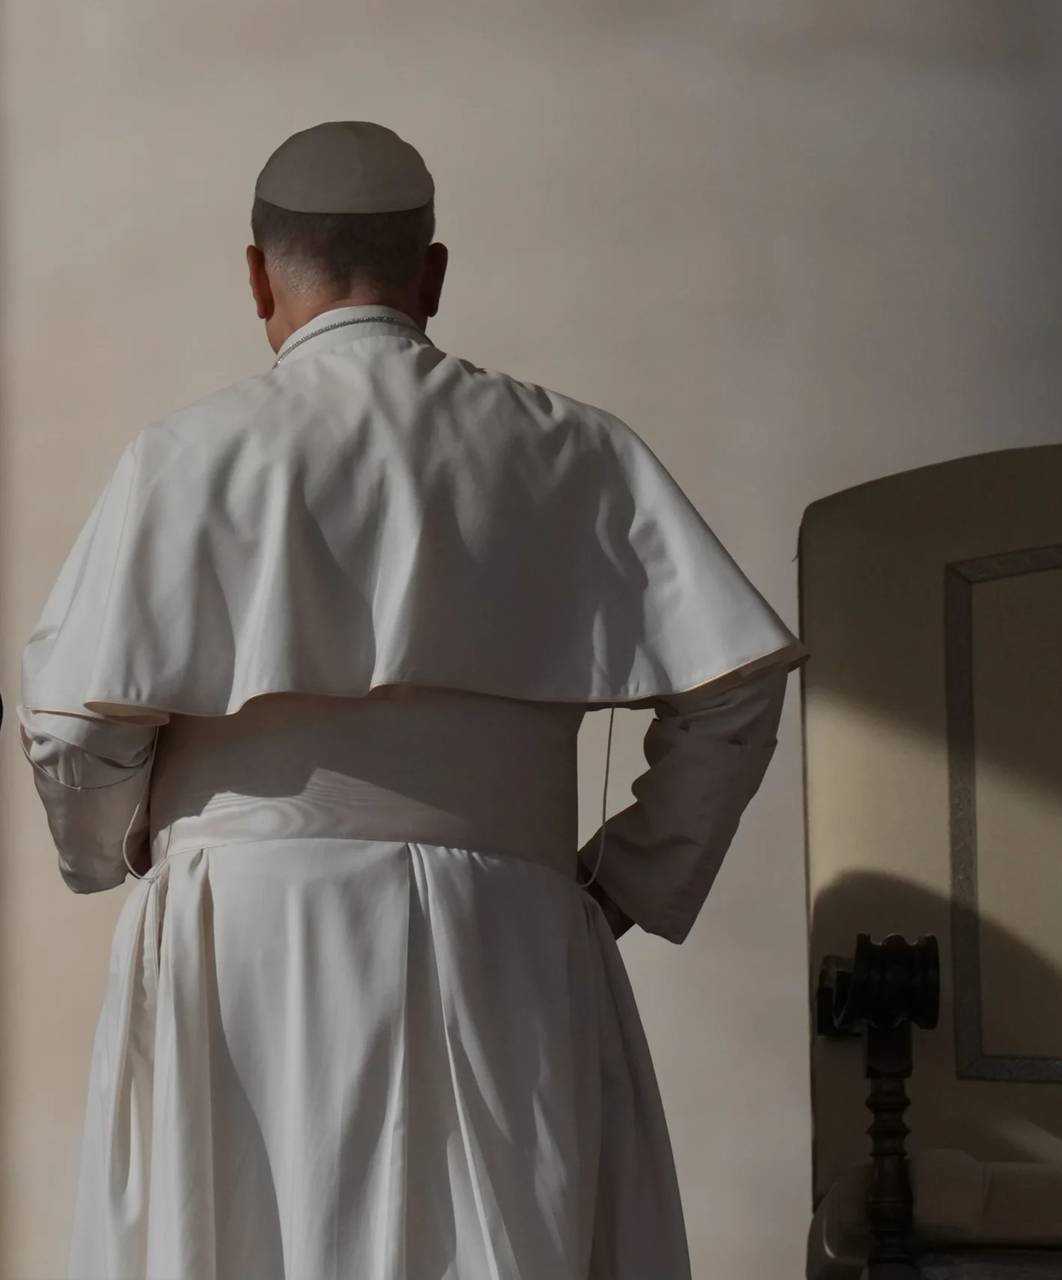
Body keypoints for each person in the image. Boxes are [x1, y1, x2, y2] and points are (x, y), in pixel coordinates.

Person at [15, 120, 806, 1280]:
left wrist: (118, 846)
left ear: (255, 276)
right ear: (433, 273)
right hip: (509, 935)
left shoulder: (184, 457)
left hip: (241, 936)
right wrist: (634, 873)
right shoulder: (574, 450)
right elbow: (734, 683)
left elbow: (76, 723)